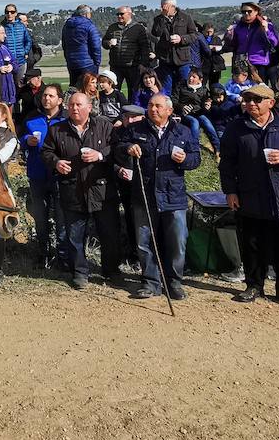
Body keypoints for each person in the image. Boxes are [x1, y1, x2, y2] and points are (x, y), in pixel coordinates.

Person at [219, 83, 279, 310]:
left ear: (271, 103)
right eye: (248, 99)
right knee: (252, 244)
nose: (251, 103)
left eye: (256, 99)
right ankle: (254, 285)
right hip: (249, 195)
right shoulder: (236, 128)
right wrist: (230, 191)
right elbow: (227, 164)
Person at [120, 93, 199, 299]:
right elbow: (118, 148)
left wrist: (184, 159)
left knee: (177, 241)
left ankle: (174, 282)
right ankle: (150, 283)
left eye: (158, 106)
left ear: (169, 110)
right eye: (150, 105)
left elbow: (195, 158)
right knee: (144, 242)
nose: (153, 109)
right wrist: (128, 148)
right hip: (144, 195)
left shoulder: (182, 131)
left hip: (174, 197)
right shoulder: (135, 130)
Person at [42, 90, 117, 290]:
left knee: (108, 233)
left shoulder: (103, 125)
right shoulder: (57, 130)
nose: (74, 108)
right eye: (72, 105)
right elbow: (46, 152)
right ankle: (80, 273)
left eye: (79, 105)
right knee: (75, 236)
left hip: (101, 190)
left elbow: (116, 148)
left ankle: (111, 272)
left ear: (89, 108)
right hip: (72, 190)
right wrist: (56, 163)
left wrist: (100, 156)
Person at [22, 82, 65, 271]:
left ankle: (62, 256)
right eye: (44, 95)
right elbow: (19, 139)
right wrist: (27, 141)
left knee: (62, 217)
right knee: (40, 217)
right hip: (37, 174)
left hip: (59, 176)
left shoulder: (65, 121)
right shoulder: (31, 119)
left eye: (51, 96)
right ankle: (43, 254)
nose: (46, 99)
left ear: (60, 100)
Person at [223, 3, 279, 85]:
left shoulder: (265, 24)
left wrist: (266, 30)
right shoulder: (238, 26)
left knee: (260, 89)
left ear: (256, 11)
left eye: (249, 11)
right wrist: (229, 36)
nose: (246, 14)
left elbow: (274, 42)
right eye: (243, 12)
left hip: (259, 62)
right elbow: (234, 44)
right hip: (242, 63)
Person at [103, 6, 155, 95]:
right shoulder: (112, 27)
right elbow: (104, 42)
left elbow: (145, 47)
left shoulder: (138, 28)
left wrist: (143, 65)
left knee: (133, 91)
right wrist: (108, 43)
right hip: (116, 66)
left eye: (121, 14)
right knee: (114, 90)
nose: (119, 16)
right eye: (118, 14)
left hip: (133, 67)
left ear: (129, 14)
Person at [150, 0, 198, 86]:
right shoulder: (158, 19)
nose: (164, 8)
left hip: (182, 59)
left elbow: (194, 35)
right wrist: (163, 17)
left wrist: (181, 39)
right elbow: (156, 33)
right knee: (166, 87)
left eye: (166, 6)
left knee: (185, 85)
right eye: (162, 6)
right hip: (166, 59)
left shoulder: (185, 17)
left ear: (173, 6)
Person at [172, 67, 218, 159]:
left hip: (199, 113)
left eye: (194, 77)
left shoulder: (204, 90)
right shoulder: (181, 86)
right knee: (195, 123)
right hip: (185, 114)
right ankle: (193, 149)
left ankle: (218, 150)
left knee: (208, 124)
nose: (190, 78)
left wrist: (207, 107)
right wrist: (182, 107)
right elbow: (173, 100)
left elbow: (206, 105)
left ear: (200, 80)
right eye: (189, 75)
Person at [61, 4, 101, 88]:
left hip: (72, 63)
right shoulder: (89, 26)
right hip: (87, 64)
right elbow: (96, 46)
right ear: (86, 14)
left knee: (74, 88)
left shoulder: (67, 26)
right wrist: (97, 63)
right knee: (89, 89)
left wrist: (68, 59)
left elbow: (64, 44)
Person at [2, 3, 33, 87]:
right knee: (9, 86)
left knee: (20, 86)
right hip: (8, 63)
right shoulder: (2, 27)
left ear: (16, 13)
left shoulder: (21, 26)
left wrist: (25, 52)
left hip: (21, 61)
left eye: (12, 12)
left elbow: (28, 41)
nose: (9, 14)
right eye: (7, 12)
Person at [0, 24, 17, 105]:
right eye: (2, 33)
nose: (5, 35)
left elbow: (15, 63)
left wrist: (12, 66)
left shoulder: (5, 48)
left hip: (10, 95)